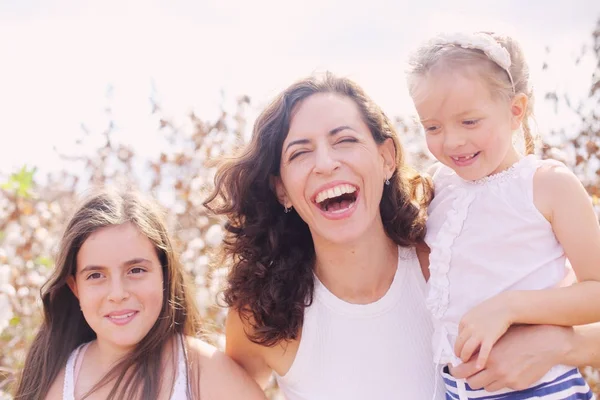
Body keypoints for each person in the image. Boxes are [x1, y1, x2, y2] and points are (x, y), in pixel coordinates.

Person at [204, 72, 600, 400]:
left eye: (345, 140)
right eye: (299, 153)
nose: (326, 163)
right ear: (282, 190)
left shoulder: (447, 262)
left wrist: (565, 346)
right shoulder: (262, 315)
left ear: (387, 158)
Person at [406, 31, 600, 399]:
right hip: (455, 389)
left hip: (541, 388)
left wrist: (510, 307)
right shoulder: (437, 186)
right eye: (432, 127)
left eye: (469, 122)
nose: (451, 142)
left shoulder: (547, 185)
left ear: (515, 111)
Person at [14, 188, 267, 400]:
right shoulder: (55, 378)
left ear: (164, 274)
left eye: (135, 270)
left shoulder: (203, 372)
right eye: (96, 275)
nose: (117, 293)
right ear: (75, 287)